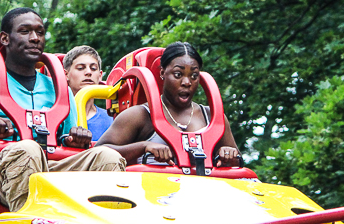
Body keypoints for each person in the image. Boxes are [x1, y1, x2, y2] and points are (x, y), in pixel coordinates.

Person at [0, 8, 125, 212]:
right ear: (5, 39)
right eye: (25, 31)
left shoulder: (60, 90)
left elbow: (68, 147)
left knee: (108, 156)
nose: (35, 38)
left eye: (40, 33)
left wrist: (74, 140)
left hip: (49, 170)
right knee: (28, 149)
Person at [96, 42, 240, 167]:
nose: (187, 82)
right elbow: (98, 152)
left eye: (194, 76)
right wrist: (143, 147)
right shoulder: (139, 115)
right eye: (178, 74)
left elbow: (237, 163)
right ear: (163, 73)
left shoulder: (212, 116)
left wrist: (229, 155)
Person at [63, 45, 112, 141]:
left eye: (93, 68)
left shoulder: (112, 119)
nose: (88, 72)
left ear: (100, 75)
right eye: (81, 68)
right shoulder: (57, 115)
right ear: (66, 74)